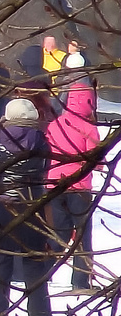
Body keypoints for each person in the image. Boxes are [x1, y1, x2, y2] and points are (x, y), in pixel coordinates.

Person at [0, 97, 54, 316]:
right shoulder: (42, 141)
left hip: (3, 207)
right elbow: (43, 177)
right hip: (32, 207)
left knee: (1, 265)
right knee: (35, 267)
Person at [48, 53, 100, 293]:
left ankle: (42, 270)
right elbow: (96, 160)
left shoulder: (55, 124)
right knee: (81, 234)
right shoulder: (89, 128)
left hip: (55, 185)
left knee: (58, 231)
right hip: (79, 186)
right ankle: (80, 278)